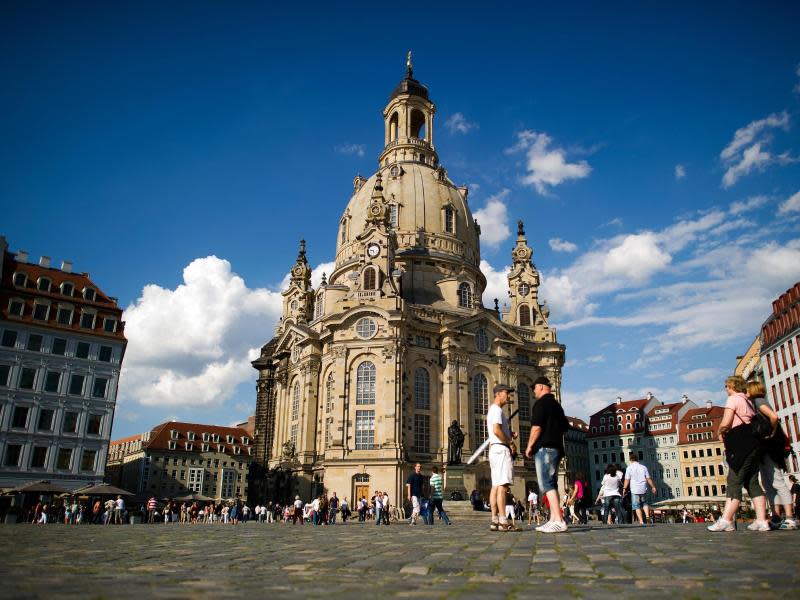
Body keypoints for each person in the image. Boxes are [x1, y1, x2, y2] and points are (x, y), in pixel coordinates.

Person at [708, 375, 769, 532]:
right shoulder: (748, 401)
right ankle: (762, 520)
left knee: (734, 480)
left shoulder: (734, 399)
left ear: (732, 387)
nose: (726, 389)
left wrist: (720, 431)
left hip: (739, 444)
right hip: (753, 443)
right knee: (752, 482)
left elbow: (727, 421)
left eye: (727, 386)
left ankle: (726, 520)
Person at [748, 380, 796, 530]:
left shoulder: (758, 401)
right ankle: (775, 516)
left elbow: (774, 417)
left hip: (771, 447)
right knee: (768, 483)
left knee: (777, 481)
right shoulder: (754, 403)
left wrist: (771, 433)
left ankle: (789, 517)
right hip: (763, 448)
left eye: (747, 389)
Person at [525, 376, 569, 533]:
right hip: (557, 448)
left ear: (542, 387)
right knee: (552, 483)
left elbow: (536, 428)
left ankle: (559, 520)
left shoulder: (541, 404)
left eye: (535, 388)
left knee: (546, 484)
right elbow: (565, 426)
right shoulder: (557, 405)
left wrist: (529, 446)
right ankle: (553, 519)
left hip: (545, 448)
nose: (534, 391)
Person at [487, 383, 518, 531]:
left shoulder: (494, 410)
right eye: (507, 392)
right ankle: (503, 521)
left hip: (495, 449)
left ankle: (494, 520)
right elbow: (496, 430)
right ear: (499, 393)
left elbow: (497, 431)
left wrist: (509, 433)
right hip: (501, 450)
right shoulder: (497, 410)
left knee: (495, 486)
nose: (509, 396)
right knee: (502, 486)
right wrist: (510, 442)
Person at [623, 453, 657, 525]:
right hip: (643, 488)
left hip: (635, 489)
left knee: (636, 506)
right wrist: (653, 487)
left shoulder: (629, 468)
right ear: (637, 459)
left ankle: (641, 521)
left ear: (631, 460)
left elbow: (627, 480)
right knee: (645, 503)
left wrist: (624, 488)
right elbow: (648, 478)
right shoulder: (643, 467)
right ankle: (647, 517)